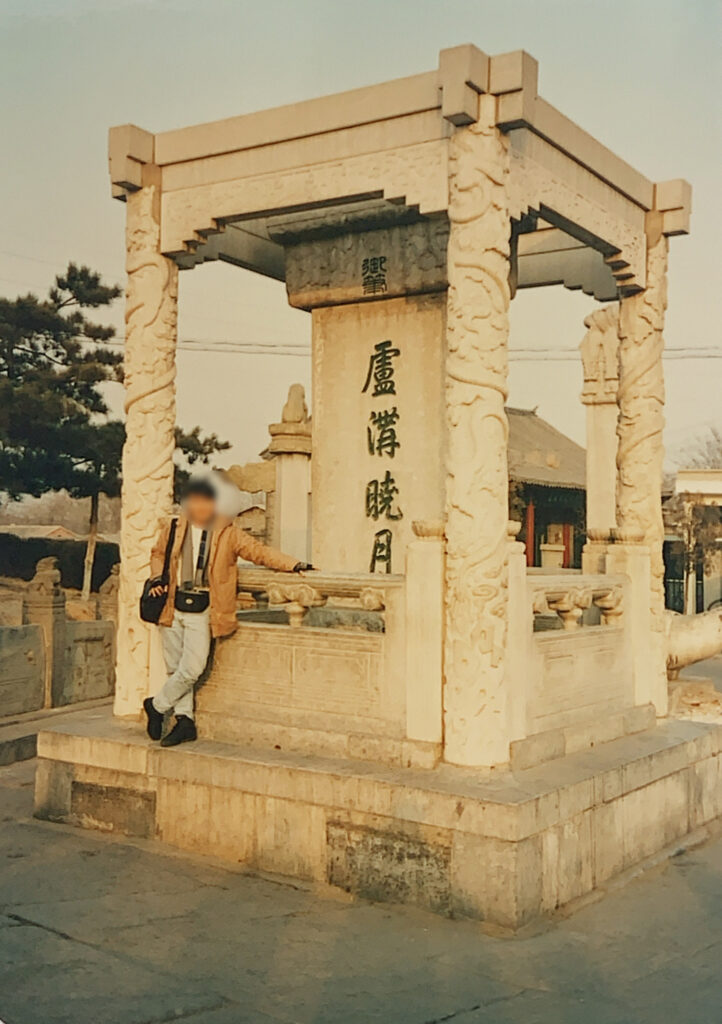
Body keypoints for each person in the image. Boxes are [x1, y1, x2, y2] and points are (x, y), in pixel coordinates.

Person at [143, 475, 312, 747]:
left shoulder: (228, 532)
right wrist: (156, 579)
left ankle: (157, 705)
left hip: (202, 608)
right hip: (171, 606)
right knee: (174, 667)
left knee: (192, 668)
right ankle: (185, 721)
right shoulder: (175, 527)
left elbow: (259, 552)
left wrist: (294, 564)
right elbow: (157, 554)